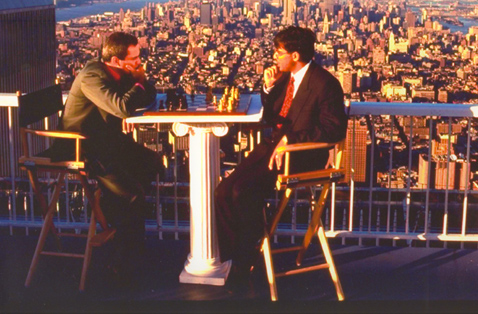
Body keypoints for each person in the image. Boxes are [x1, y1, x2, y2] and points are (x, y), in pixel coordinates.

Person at [214, 26, 348, 287]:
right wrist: (268, 86)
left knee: (242, 192)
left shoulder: (324, 83)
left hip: (299, 156)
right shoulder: (288, 76)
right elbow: (272, 113)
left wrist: (290, 140)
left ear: (295, 55)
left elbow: (334, 128)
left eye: (279, 52)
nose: (275, 56)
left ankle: (244, 260)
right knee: (222, 192)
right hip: (272, 147)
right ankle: (235, 256)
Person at [50, 32, 164, 285]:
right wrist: (140, 83)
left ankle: (120, 223)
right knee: (130, 195)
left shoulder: (119, 73)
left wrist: (140, 83)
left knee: (152, 163)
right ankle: (123, 261)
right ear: (116, 59)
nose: (139, 62)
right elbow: (122, 106)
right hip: (82, 147)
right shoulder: (93, 75)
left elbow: (149, 93)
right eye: (134, 58)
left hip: (107, 143)